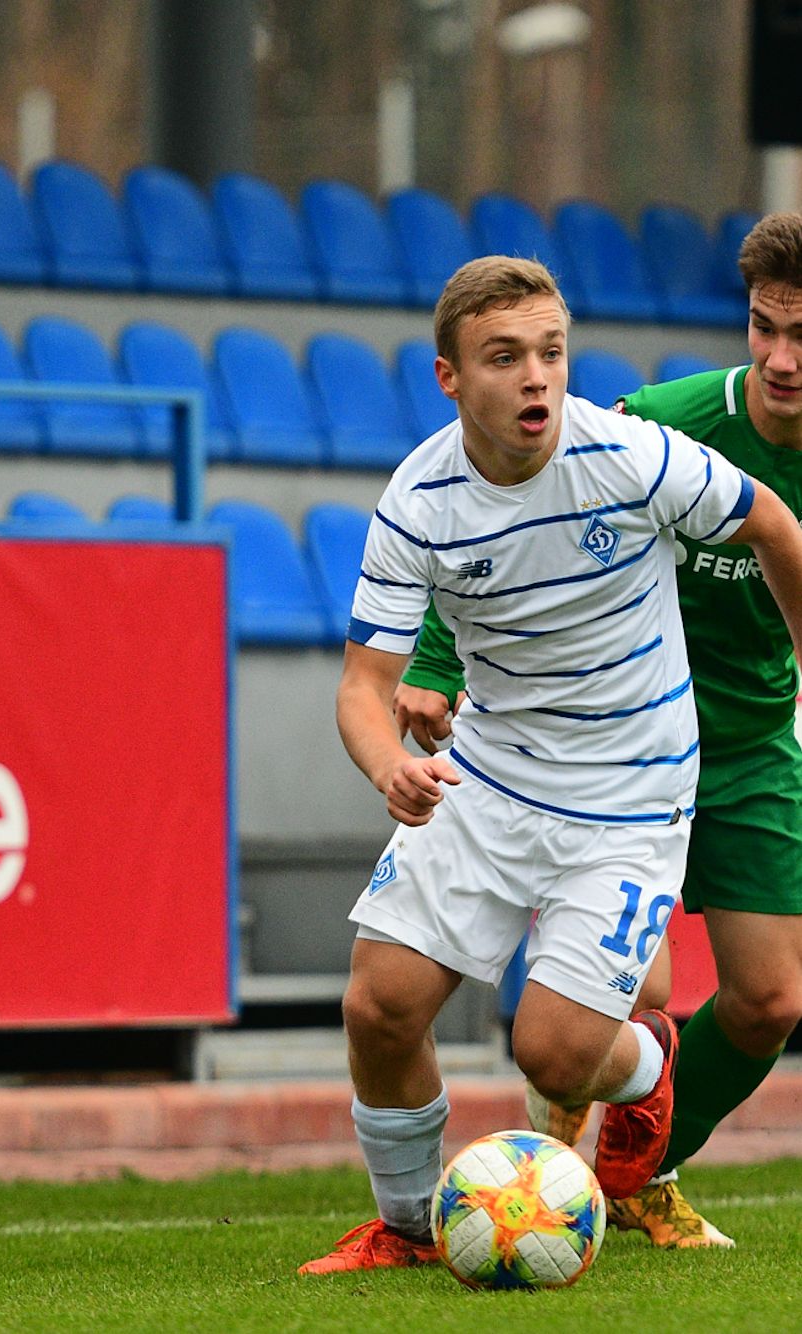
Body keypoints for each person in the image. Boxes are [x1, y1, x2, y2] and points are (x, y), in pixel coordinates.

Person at [298, 255, 802, 1276]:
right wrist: (385, 762)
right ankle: (402, 1225)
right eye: (504, 357)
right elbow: (361, 687)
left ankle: (646, 1072)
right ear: (448, 376)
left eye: (550, 353)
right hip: (486, 779)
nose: (535, 378)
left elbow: (770, 522)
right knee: (376, 1005)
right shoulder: (416, 498)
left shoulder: (627, 455)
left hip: (629, 793)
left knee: (555, 1052)